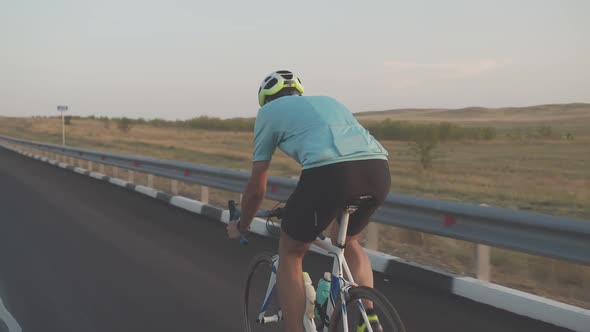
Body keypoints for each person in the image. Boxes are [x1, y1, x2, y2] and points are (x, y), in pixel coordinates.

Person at [227, 70, 391, 332]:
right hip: (378, 169)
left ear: (265, 99)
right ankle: (367, 319)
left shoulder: (268, 113)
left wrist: (242, 224)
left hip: (330, 173)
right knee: (347, 240)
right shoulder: (330, 101)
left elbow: (257, 188)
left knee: (291, 251)